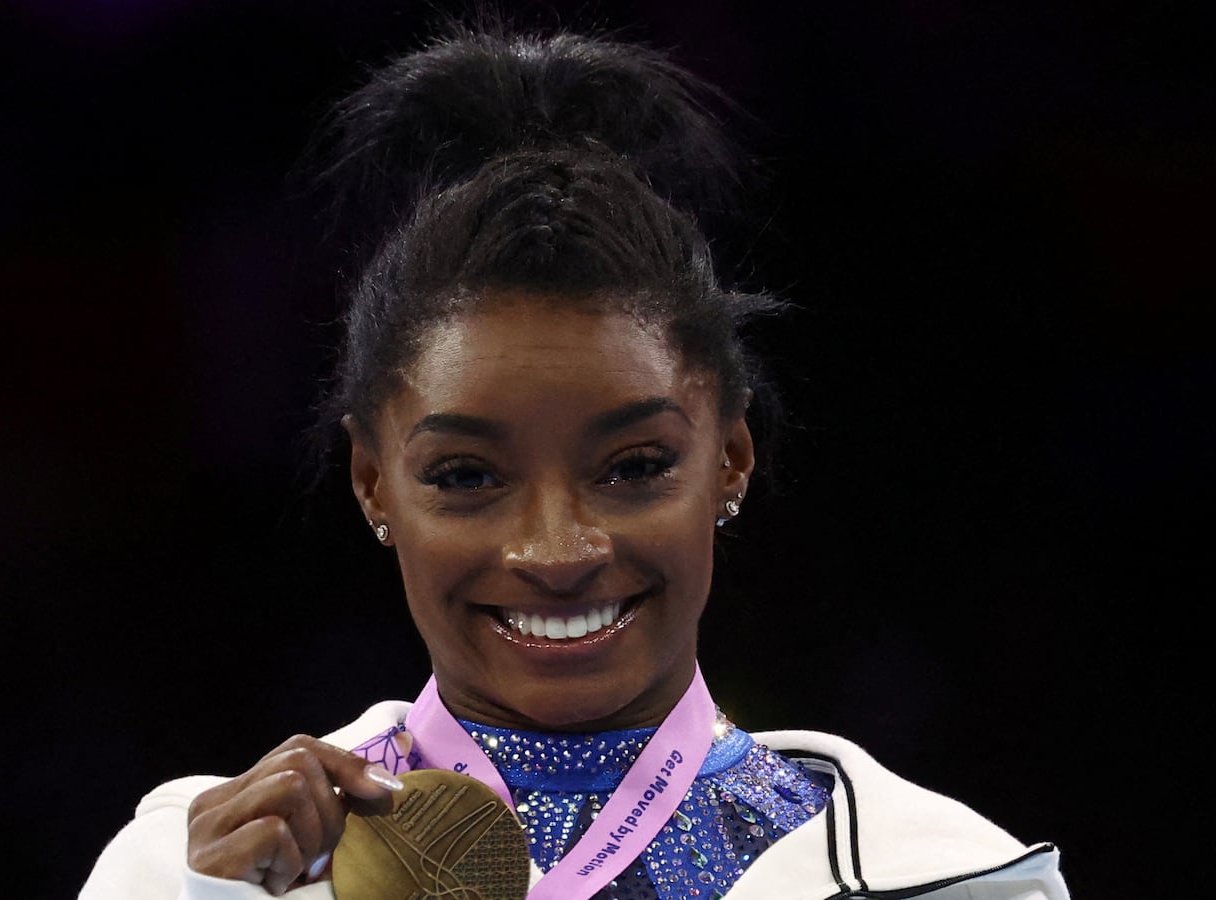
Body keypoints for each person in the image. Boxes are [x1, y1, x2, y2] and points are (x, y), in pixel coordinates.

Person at [80, 19, 1071, 900]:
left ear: (728, 459)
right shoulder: (195, 869)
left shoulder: (941, 877)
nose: (555, 550)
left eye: (633, 466)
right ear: (373, 482)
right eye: (467, 476)